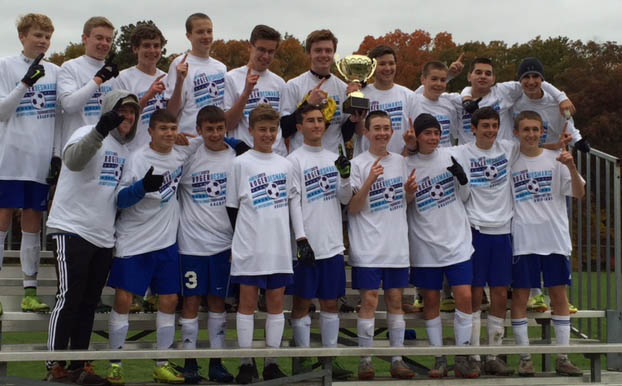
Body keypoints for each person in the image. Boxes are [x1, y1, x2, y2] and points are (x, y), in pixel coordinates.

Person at [45, 90, 139, 385]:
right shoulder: (87, 131)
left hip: (103, 237)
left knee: (88, 303)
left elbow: (119, 197)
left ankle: (78, 364)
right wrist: (100, 129)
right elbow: (72, 161)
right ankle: (54, 365)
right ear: (110, 110)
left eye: (133, 112)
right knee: (68, 298)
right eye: (123, 110)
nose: (128, 117)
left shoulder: (125, 151)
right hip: (72, 229)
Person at [106, 109, 202, 385]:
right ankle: (115, 363)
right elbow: (120, 201)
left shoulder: (180, 154)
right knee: (124, 298)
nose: (169, 133)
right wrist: (142, 187)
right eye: (163, 129)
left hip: (166, 240)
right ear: (150, 131)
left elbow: (214, 134)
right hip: (134, 238)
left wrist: (235, 143)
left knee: (170, 299)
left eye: (173, 128)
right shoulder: (137, 158)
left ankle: (162, 362)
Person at [510, 110, 584, 377]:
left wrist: (572, 167)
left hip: (554, 239)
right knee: (519, 296)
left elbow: (579, 193)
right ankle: (525, 357)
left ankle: (563, 357)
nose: (531, 134)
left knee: (558, 296)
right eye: (525, 129)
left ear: (543, 132)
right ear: (516, 132)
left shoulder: (557, 159)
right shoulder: (511, 160)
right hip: (523, 240)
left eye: (535, 129)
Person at [404, 113, 479, 378]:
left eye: (436, 133)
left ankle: (463, 355)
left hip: (457, 240)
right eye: (428, 133)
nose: (433, 138)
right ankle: (439, 358)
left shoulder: (451, 156)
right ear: (418, 136)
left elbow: (467, 197)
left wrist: (462, 179)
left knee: (465, 297)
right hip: (425, 244)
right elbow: (404, 204)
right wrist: (410, 192)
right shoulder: (407, 163)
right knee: (432, 302)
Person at [225, 104, 295, 384]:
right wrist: (237, 244)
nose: (268, 134)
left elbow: (291, 207)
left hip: (278, 246)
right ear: (251, 130)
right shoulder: (240, 163)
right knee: (247, 303)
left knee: (276, 303)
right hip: (249, 245)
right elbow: (232, 209)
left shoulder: (286, 164)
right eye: (262, 129)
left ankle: (271, 362)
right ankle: (245, 362)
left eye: (272, 129)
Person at [347, 110, 417, 380]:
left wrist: (409, 193)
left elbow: (403, 203)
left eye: (387, 128)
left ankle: (397, 359)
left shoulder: (401, 161)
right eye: (376, 128)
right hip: (367, 246)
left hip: (396, 245)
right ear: (366, 132)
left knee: (396, 301)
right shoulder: (358, 164)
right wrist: (369, 181)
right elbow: (353, 208)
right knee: (369, 301)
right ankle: (365, 360)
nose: (382, 133)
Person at [286, 104, 353, 379]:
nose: (316, 125)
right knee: (301, 304)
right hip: (305, 245)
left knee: (329, 303)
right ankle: (302, 362)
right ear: (300, 127)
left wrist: (346, 177)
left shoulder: (333, 156)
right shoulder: (293, 160)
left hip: (332, 244)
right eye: (310, 121)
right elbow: (293, 202)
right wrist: (301, 239)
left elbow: (345, 199)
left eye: (319, 120)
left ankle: (329, 359)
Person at [451, 107, 518, 375]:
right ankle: (474, 355)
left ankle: (493, 353)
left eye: (494, 125)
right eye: (485, 126)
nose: (490, 130)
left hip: (503, 229)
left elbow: (536, 143)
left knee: (500, 293)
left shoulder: (509, 148)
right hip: (475, 229)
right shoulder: (461, 152)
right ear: (474, 128)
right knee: (475, 293)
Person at [0, 13, 59, 314]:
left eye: (47, 37)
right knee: (2, 223)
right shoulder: (6, 65)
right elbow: (1, 112)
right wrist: (25, 83)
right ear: (23, 36)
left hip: (39, 162)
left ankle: (29, 291)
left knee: (33, 225)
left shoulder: (56, 71)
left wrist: (56, 155)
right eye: (37, 35)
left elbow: (61, 117)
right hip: (9, 159)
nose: (43, 41)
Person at [177, 106, 235, 383]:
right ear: (199, 130)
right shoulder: (189, 154)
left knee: (217, 304)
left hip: (223, 244)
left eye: (219, 128)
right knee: (190, 303)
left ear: (226, 128)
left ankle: (216, 362)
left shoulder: (235, 156)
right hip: (191, 244)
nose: (215, 134)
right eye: (209, 129)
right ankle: (189, 363)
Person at [280, 29, 363, 153]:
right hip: (304, 162)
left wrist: (354, 118)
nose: (324, 55)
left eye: (328, 51)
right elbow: (284, 130)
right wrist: (307, 104)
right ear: (309, 53)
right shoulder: (294, 85)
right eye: (318, 50)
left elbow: (345, 135)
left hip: (334, 160)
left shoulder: (342, 87)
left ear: (334, 53)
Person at [458, 57, 573, 144]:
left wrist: (561, 97)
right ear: (469, 76)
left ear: (493, 79)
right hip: (471, 160)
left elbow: (536, 83)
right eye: (478, 72)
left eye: (488, 73)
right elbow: (440, 92)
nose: (483, 76)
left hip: (503, 158)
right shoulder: (456, 101)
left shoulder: (504, 91)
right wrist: (466, 97)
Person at [224, 24, 287, 155]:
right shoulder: (231, 78)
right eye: (261, 50)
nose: (266, 56)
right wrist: (246, 93)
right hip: (245, 156)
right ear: (250, 47)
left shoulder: (279, 83)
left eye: (271, 52)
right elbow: (227, 125)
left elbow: (282, 126)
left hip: (276, 156)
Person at [57, 16, 117, 147]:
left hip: (106, 147)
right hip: (77, 147)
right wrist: (98, 79)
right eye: (99, 38)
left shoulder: (114, 72)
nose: (105, 43)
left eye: (109, 39)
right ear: (85, 38)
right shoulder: (70, 67)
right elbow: (69, 105)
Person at [165, 13, 226, 135]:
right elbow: (171, 112)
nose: (206, 36)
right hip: (189, 141)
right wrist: (179, 82)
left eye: (209, 31)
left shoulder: (221, 68)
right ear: (189, 36)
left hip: (216, 140)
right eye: (200, 32)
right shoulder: (179, 64)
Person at [352, 45, 416, 156]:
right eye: (382, 64)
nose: (387, 68)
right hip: (367, 164)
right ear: (372, 67)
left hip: (400, 162)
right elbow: (358, 132)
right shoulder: (361, 94)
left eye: (391, 63)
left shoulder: (408, 95)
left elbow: (414, 132)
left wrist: (404, 157)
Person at [114, 23, 168, 152]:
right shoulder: (123, 78)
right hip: (133, 151)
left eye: (156, 46)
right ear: (135, 49)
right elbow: (121, 119)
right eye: (146, 45)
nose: (152, 50)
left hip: (161, 152)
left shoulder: (167, 77)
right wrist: (149, 95)